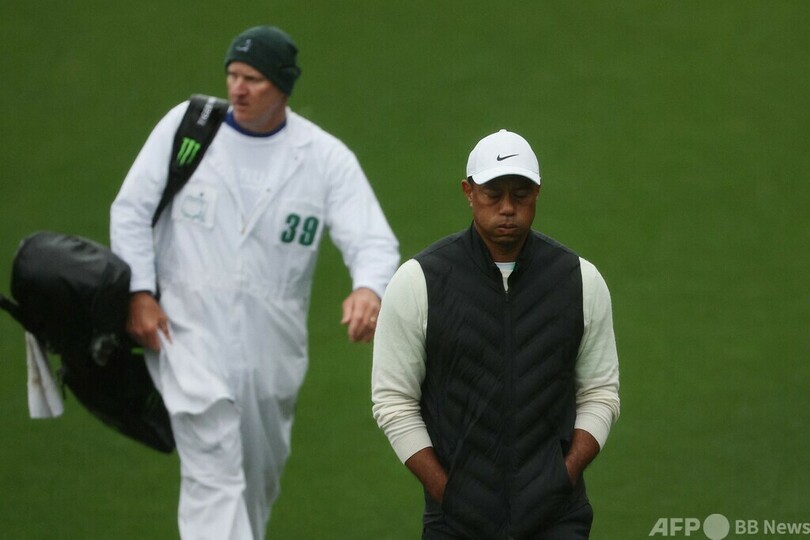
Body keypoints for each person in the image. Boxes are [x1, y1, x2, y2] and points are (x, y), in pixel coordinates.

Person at [110, 25, 399, 540]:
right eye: (233, 75)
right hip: (186, 332)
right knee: (214, 467)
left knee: (253, 485)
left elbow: (372, 241)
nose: (238, 89)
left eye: (253, 79)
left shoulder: (324, 158)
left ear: (282, 87)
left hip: (272, 349)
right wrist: (139, 293)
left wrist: (368, 289)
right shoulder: (189, 128)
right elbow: (131, 210)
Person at [372, 129, 620, 539]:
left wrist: (564, 476)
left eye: (520, 194)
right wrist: (449, 494)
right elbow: (393, 401)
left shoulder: (581, 281)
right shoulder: (418, 282)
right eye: (493, 194)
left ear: (537, 193)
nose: (507, 208)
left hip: (558, 521)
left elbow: (600, 392)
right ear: (468, 192)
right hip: (454, 525)